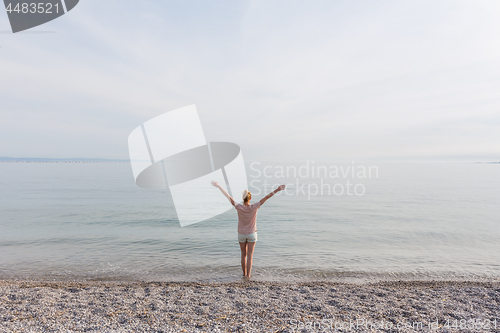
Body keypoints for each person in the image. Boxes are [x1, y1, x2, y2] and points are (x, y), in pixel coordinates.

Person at [211, 180, 286, 279]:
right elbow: (267, 197)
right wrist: (277, 189)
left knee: (243, 255)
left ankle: (243, 274)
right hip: (252, 234)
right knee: (250, 255)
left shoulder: (238, 207)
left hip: (241, 234)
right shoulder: (255, 206)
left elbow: (228, 196)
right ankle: (248, 275)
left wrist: (219, 186)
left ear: (243, 198)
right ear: (250, 198)